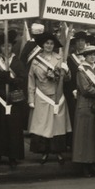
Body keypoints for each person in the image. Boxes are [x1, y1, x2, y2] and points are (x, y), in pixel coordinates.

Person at [0, 31, 26, 168]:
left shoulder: (17, 61)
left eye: (8, 46)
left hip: (12, 98)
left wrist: (12, 80)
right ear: (0, 48)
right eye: (3, 46)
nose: (6, 48)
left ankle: (12, 156)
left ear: (12, 47)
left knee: (12, 129)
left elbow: (23, 80)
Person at [27, 32, 70, 164]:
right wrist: (31, 99)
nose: (49, 46)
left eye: (51, 44)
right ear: (42, 45)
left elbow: (68, 80)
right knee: (42, 124)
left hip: (57, 95)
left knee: (58, 125)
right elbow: (31, 80)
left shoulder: (60, 59)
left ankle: (58, 152)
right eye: (47, 43)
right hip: (42, 95)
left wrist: (64, 72)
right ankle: (44, 152)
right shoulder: (36, 60)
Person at [72, 44, 95, 177]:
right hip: (85, 106)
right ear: (85, 56)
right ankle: (85, 166)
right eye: (90, 54)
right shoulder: (81, 70)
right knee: (84, 136)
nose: (93, 56)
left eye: (94, 54)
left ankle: (93, 164)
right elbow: (86, 90)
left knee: (94, 137)